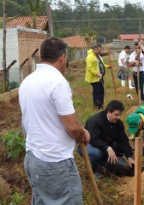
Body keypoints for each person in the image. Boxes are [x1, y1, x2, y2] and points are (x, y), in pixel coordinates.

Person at [19, 37, 90, 205]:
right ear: (63, 57)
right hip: (54, 163)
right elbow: (72, 128)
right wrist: (82, 133)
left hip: (33, 159)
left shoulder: (27, 81)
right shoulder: (57, 82)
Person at [78, 100, 135, 179]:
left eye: (120, 115)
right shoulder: (95, 121)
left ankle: (107, 163)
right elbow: (93, 139)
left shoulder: (118, 124)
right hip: (88, 145)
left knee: (120, 146)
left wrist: (129, 157)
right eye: (116, 115)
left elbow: (123, 140)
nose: (119, 117)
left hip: (105, 144)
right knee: (95, 153)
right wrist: (108, 148)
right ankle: (93, 170)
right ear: (108, 112)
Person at [85, 44, 112, 110]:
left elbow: (100, 65)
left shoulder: (98, 56)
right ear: (95, 49)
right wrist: (96, 73)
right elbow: (89, 67)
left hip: (100, 77)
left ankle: (101, 104)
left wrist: (107, 66)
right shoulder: (90, 57)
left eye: (101, 50)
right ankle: (97, 105)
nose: (100, 52)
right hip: (95, 78)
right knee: (97, 92)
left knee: (101, 91)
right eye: (99, 50)